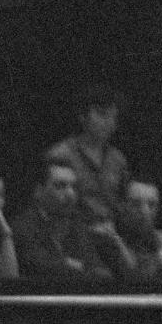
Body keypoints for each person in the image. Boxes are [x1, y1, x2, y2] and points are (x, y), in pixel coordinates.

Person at [12, 158, 113, 285]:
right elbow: (41, 268)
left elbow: (100, 271)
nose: (70, 193)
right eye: (60, 186)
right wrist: (72, 265)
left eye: (74, 187)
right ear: (39, 191)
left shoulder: (78, 224)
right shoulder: (23, 226)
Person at [44, 83, 130, 227]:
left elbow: (123, 204)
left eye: (113, 117)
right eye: (102, 114)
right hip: (70, 230)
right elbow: (49, 204)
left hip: (111, 231)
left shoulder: (118, 159)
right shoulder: (60, 154)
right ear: (83, 116)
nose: (109, 122)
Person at [115, 179, 162, 283]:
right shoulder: (108, 238)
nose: (145, 211)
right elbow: (136, 278)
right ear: (121, 206)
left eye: (151, 204)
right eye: (136, 204)